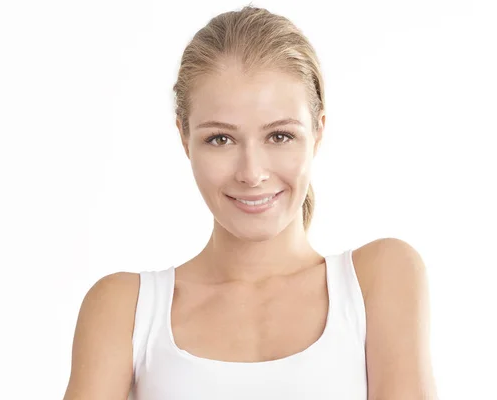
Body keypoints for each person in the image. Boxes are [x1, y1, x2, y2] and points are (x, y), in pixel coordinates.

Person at [62, 5, 438, 400]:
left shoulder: (378, 280)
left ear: (318, 131)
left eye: (280, 136)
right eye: (220, 139)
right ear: (183, 137)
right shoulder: (126, 310)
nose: (252, 173)